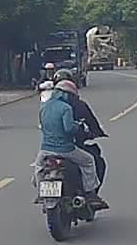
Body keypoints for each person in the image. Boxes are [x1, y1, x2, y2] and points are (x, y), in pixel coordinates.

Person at [38, 80, 108, 210]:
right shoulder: (66, 108)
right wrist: (79, 128)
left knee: (39, 168)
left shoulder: (44, 107)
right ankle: (90, 194)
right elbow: (69, 128)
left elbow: (42, 126)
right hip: (66, 149)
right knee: (89, 161)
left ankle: (41, 193)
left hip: (46, 149)